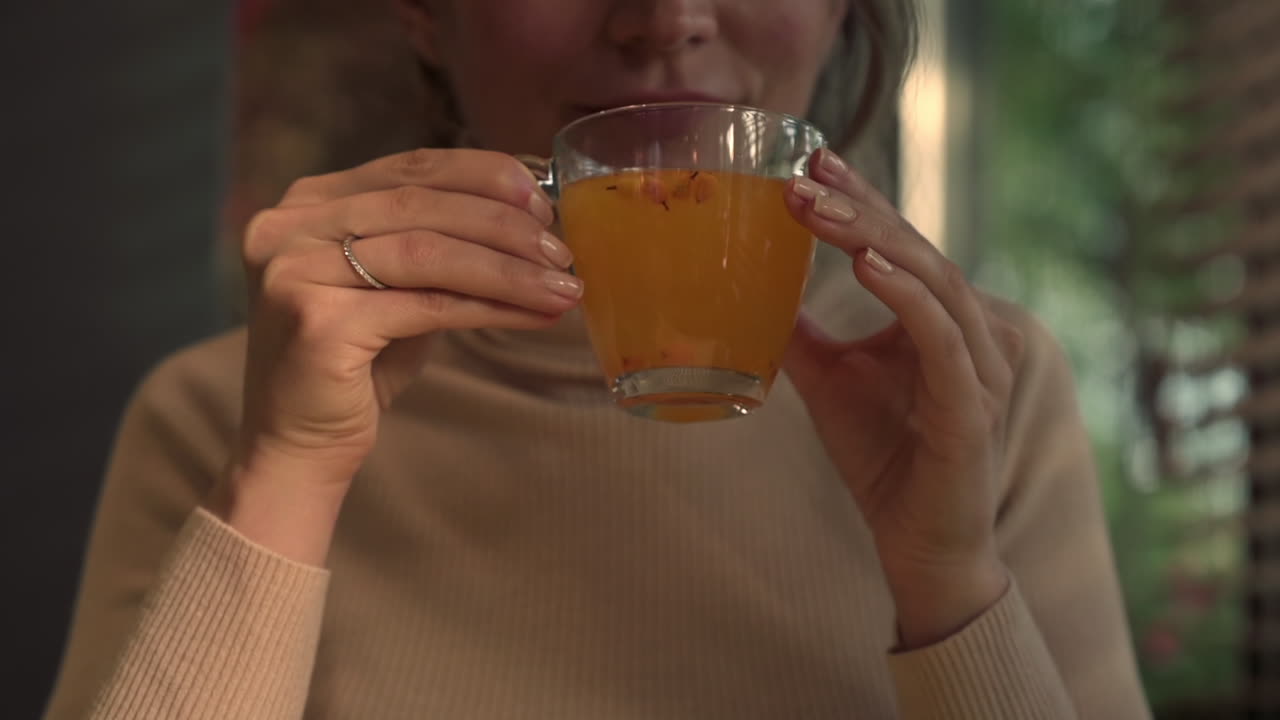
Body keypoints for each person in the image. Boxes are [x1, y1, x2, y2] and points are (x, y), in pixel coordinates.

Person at [43, 1, 1151, 718]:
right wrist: (283, 476)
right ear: (428, 19)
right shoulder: (218, 417)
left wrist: (948, 588)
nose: (664, 21)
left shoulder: (974, 392)